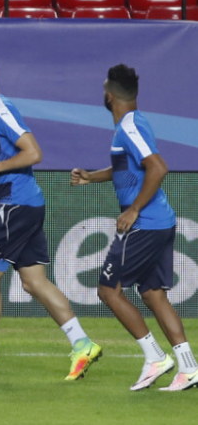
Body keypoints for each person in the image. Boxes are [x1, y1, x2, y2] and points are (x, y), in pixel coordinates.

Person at [0, 56, 100, 381]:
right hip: (25, 203)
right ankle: (82, 343)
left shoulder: (0, 109)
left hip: (15, 205)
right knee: (33, 281)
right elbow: (9, 153)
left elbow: (33, 152)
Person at [72, 64, 198, 391]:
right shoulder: (133, 124)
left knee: (107, 290)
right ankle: (188, 367)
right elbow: (126, 168)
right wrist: (91, 176)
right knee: (153, 294)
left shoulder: (129, 127)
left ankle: (155, 357)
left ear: (109, 95)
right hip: (159, 222)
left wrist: (134, 209)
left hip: (145, 224)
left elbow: (157, 167)